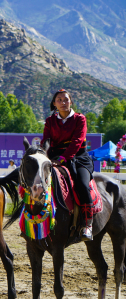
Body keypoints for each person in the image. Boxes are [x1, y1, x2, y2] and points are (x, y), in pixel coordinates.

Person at [43, 89, 95, 241]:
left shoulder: (80, 119)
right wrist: (44, 156)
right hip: (54, 157)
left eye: (66, 99)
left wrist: (62, 159)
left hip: (78, 157)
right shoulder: (50, 121)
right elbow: (46, 141)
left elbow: (77, 142)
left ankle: (87, 224)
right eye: (59, 100)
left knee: (82, 184)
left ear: (71, 101)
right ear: (54, 104)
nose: (63, 102)